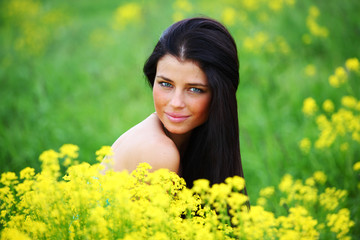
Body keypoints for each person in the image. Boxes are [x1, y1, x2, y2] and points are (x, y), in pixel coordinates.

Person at [105, 17, 246, 190]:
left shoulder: (193, 143)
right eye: (166, 84)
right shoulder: (158, 152)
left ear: (220, 94)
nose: (176, 103)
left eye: (194, 89)